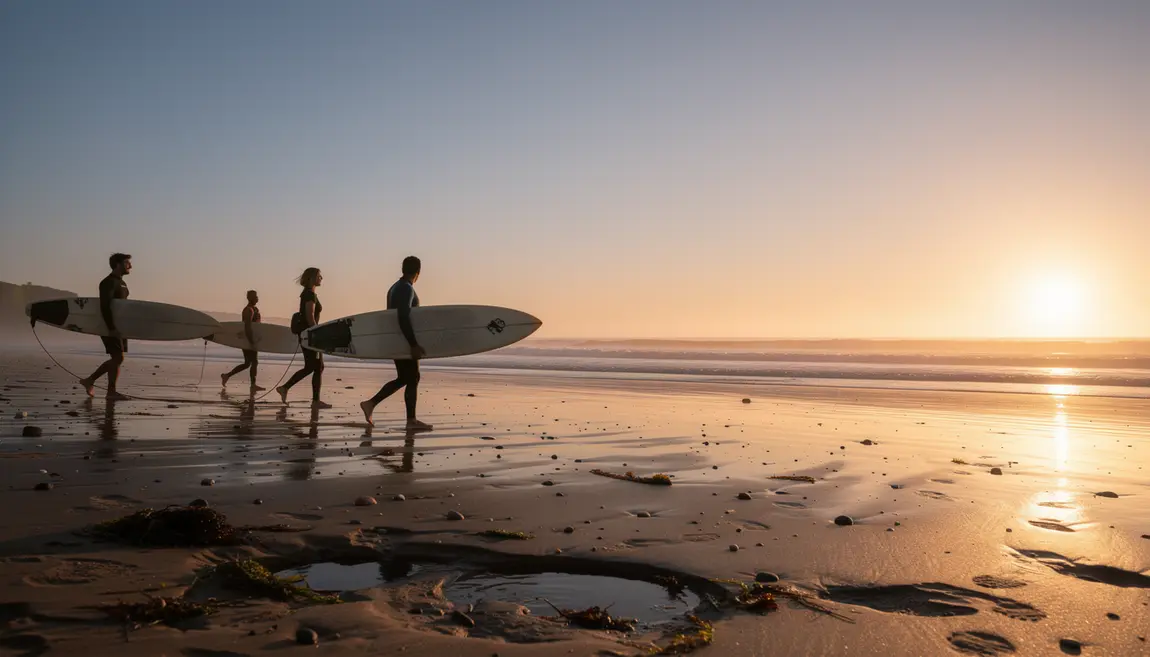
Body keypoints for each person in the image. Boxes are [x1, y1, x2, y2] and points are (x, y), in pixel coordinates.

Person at [360, 256, 432, 429]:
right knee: (412, 377)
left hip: (396, 338)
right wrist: (413, 343)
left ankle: (371, 404)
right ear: (418, 272)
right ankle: (411, 421)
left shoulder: (395, 287)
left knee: (405, 378)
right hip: (403, 339)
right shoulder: (405, 288)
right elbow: (403, 316)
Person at [80, 253, 132, 401]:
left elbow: (121, 308)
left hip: (120, 327)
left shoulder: (122, 283)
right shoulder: (107, 283)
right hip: (110, 326)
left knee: (117, 358)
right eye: (127, 263)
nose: (130, 266)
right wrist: (111, 327)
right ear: (118, 264)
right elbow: (105, 306)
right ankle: (93, 381)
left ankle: (110, 391)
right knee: (118, 358)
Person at [276, 268, 331, 408]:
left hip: (306, 334)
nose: (321, 278)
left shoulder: (308, 293)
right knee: (316, 366)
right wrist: (316, 333)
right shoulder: (309, 294)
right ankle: (314, 401)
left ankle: (287, 389)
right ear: (312, 278)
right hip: (310, 335)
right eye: (319, 276)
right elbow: (310, 316)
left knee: (314, 367)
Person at [221, 290, 265, 392]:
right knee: (254, 362)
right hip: (247, 340)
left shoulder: (255, 309)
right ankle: (253, 385)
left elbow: (256, 327)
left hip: (251, 339)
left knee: (248, 363)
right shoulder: (248, 310)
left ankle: (226, 376)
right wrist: (251, 342)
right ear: (250, 298)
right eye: (256, 296)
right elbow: (247, 327)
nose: (257, 298)